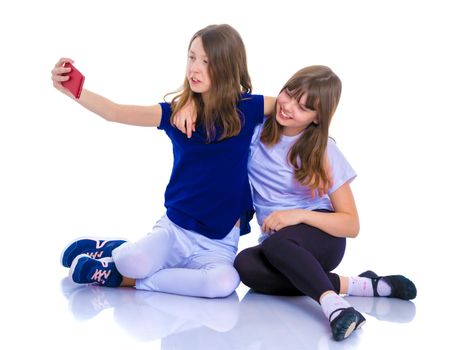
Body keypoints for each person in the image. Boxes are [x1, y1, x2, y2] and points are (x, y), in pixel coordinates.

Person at [50, 24, 275, 298]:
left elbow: (291, 106)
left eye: (207, 62)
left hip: (219, 244)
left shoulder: (249, 107)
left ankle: (130, 278)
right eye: (192, 57)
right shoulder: (174, 114)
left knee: (223, 284)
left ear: (228, 66)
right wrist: (71, 89)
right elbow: (114, 112)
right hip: (176, 229)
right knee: (131, 262)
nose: (195, 69)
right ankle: (116, 253)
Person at [229, 65, 417, 341]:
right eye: (288, 94)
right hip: (279, 247)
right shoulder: (255, 132)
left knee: (277, 242)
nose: (289, 107)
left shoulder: (324, 151)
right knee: (245, 264)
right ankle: (362, 286)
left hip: (321, 240)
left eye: (303, 107)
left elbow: (351, 224)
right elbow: (225, 103)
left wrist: (298, 215)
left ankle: (335, 308)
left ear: (318, 118)